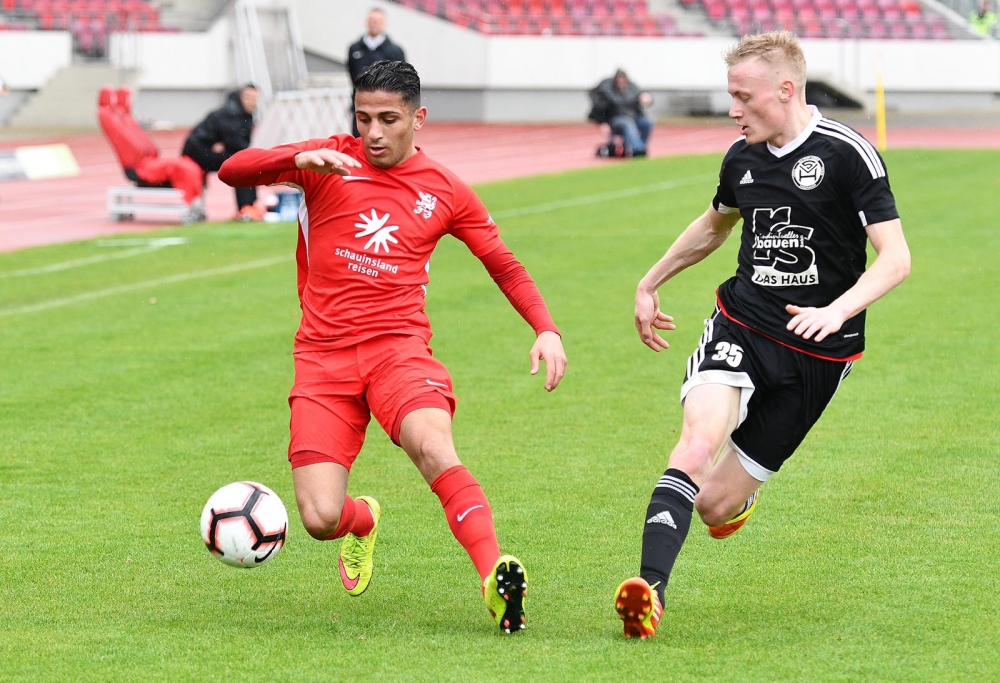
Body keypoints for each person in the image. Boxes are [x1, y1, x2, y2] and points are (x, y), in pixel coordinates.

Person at [218, 60, 567, 634]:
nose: (373, 132)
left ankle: (494, 578)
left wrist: (545, 328)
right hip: (323, 358)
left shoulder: (445, 189)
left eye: (388, 119)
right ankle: (363, 521)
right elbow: (231, 170)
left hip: (397, 351)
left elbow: (503, 264)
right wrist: (297, 160)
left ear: (417, 118)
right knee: (319, 517)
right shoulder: (328, 159)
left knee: (433, 445)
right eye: (363, 119)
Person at [614, 30, 911, 639]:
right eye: (731, 96)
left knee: (714, 505)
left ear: (785, 90)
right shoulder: (741, 158)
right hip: (744, 324)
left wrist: (837, 311)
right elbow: (714, 225)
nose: (733, 110)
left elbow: (896, 258)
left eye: (743, 97)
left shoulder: (847, 154)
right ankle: (650, 592)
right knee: (696, 443)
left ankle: (737, 501)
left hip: (819, 353)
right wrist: (650, 280)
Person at [182, 84, 262, 221]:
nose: (252, 102)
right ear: (240, 97)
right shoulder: (231, 113)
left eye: (255, 98)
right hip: (197, 152)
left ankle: (249, 205)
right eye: (248, 97)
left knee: (244, 161)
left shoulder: (241, 113)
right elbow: (237, 144)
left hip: (202, 149)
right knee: (242, 164)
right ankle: (246, 207)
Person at [347, 7, 406, 137]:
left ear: (385, 24)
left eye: (378, 20)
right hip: (361, 107)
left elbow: (401, 80)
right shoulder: (354, 49)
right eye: (372, 20)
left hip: (386, 109)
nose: (374, 23)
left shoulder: (395, 51)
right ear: (366, 22)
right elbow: (352, 74)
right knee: (359, 143)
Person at [588, 69, 654, 157]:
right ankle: (637, 149)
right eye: (619, 80)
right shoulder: (607, 90)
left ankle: (641, 146)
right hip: (616, 118)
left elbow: (643, 95)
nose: (621, 82)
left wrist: (647, 98)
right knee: (628, 123)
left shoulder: (632, 88)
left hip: (633, 117)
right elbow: (599, 106)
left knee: (647, 123)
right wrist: (602, 122)